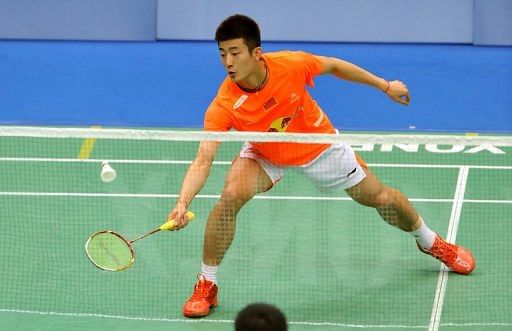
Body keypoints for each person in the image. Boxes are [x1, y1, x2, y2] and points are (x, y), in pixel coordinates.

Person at [167, 14, 475, 318]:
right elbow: (203, 157)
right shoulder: (223, 104)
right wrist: (183, 203)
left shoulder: (291, 64)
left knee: (380, 198)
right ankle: (207, 282)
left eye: (235, 53)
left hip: (319, 146)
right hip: (267, 149)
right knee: (230, 196)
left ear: (255, 53)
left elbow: (334, 65)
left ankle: (431, 242)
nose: (228, 62)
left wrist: (384, 86)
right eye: (222, 54)